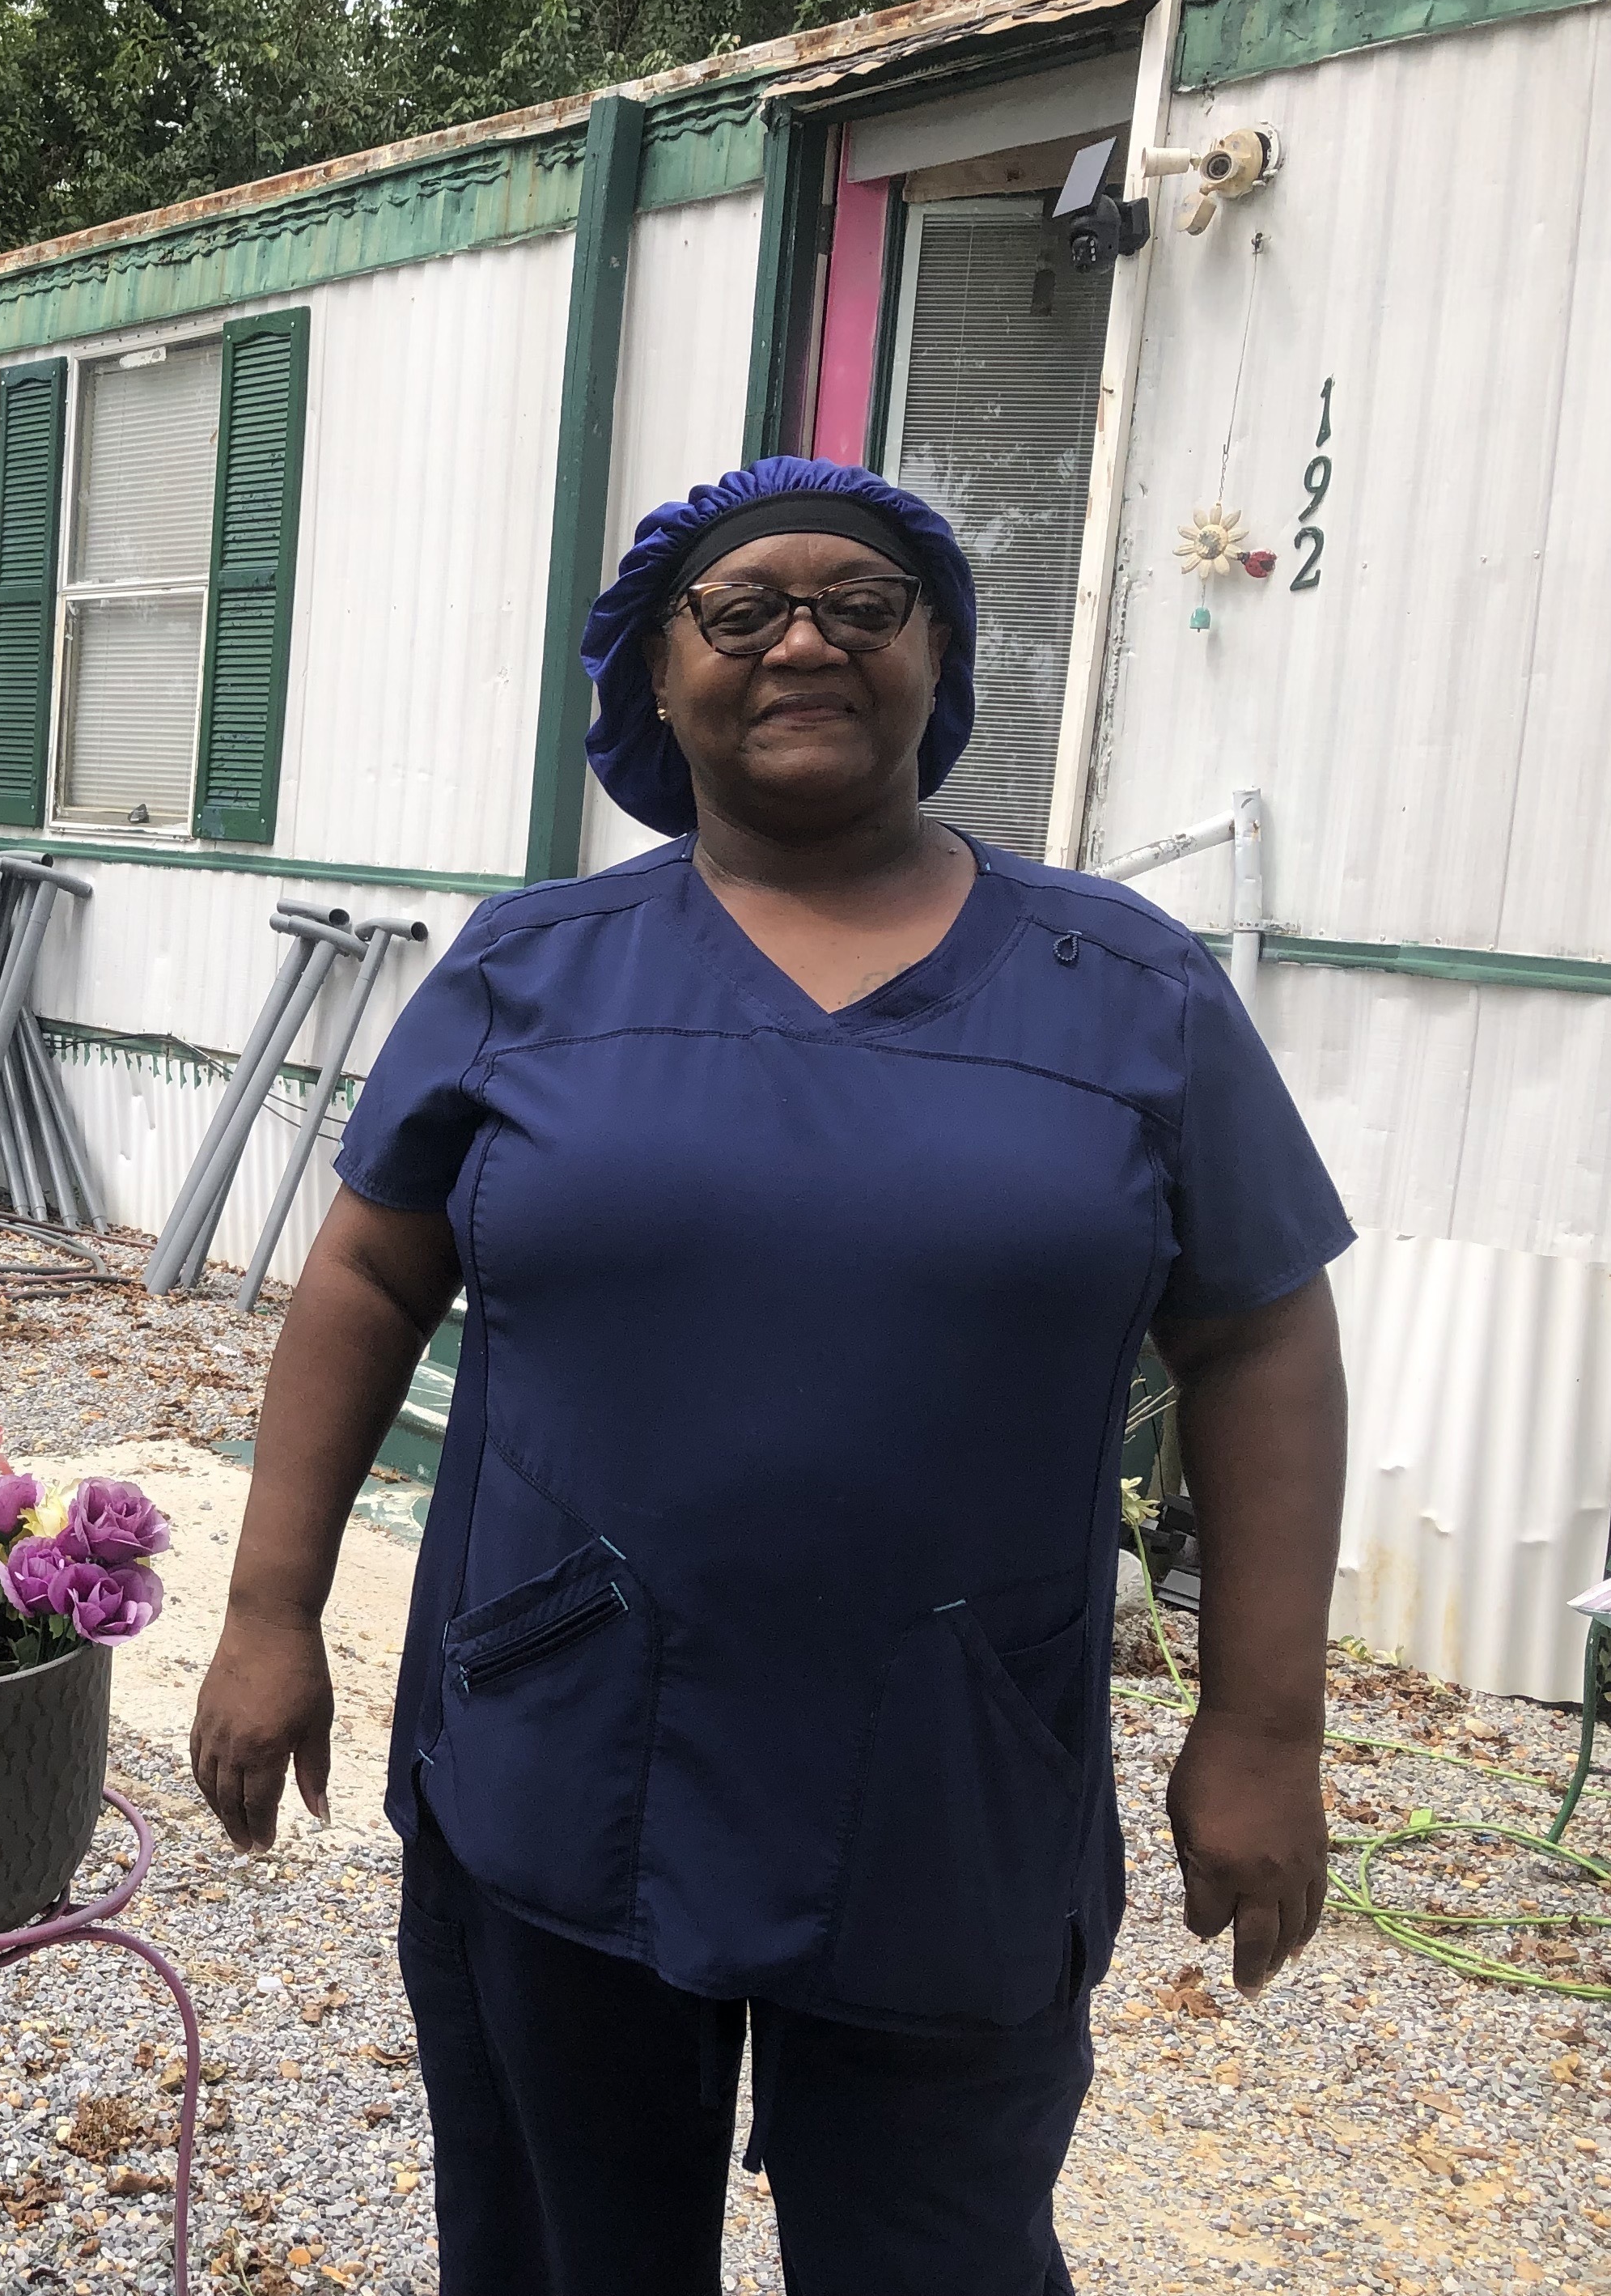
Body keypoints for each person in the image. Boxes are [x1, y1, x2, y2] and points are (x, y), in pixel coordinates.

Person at [188, 456, 1352, 2295]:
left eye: (860, 604)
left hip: (950, 1768)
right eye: (739, 610)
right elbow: (365, 1270)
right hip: (566, 1741)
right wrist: (269, 1609)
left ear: (936, 656)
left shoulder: (1124, 988)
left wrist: (1261, 1725)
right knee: (563, 2246)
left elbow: (1258, 1331)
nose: (801, 641)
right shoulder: (528, 973)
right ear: (654, 676)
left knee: (941, 2255)